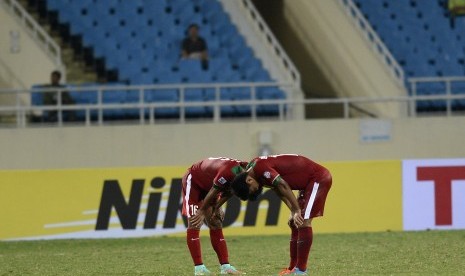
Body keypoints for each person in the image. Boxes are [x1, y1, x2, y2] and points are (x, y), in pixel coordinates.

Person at [230, 154, 332, 276]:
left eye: (252, 189)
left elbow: (282, 185)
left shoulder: (260, 168)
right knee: (294, 223)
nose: (256, 190)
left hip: (317, 178)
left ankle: (301, 271)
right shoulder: (255, 173)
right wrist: (293, 210)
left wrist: (296, 210)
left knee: (304, 221)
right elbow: (278, 190)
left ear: (249, 180)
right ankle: (292, 268)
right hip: (306, 184)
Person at [182, 157, 247, 275]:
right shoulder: (228, 172)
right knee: (195, 221)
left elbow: (230, 191)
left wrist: (217, 207)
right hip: (194, 181)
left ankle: (226, 267)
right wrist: (201, 211)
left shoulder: (246, 172)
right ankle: (199, 269)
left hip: (210, 185)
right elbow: (215, 189)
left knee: (215, 221)